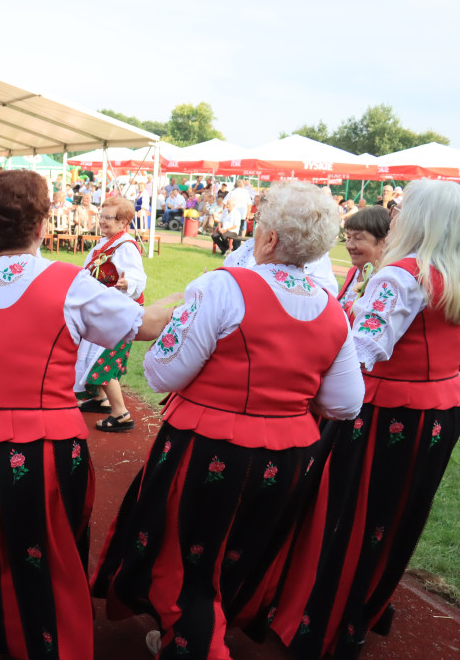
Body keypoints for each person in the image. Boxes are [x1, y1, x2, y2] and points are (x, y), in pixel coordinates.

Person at [0, 170, 177, 660]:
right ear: (44, 222)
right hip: (47, 446)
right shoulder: (69, 284)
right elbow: (145, 325)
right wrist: (197, 295)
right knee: (49, 555)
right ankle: (47, 643)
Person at [91, 181, 364, 660]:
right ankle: (206, 627)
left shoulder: (224, 286)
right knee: (241, 548)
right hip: (288, 453)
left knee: (185, 556)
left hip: (208, 445)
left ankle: (195, 641)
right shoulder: (332, 309)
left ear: (271, 239)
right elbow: (345, 403)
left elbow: (162, 373)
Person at [265, 180, 460, 660]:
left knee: (346, 514)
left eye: (402, 209)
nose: (394, 217)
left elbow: (363, 351)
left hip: (384, 411)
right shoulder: (449, 273)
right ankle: (361, 610)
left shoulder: (401, 275)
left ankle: (321, 618)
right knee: (395, 516)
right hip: (439, 413)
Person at [74, 196, 146, 432]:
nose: (102, 221)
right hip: (102, 312)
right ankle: (100, 400)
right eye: (101, 216)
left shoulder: (125, 246)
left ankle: (121, 414)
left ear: (124, 220)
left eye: (108, 217)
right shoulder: (106, 243)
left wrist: (127, 284)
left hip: (117, 315)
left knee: (103, 362)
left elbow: (137, 277)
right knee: (91, 354)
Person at [224, 203, 339, 295]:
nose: (257, 225)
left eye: (262, 221)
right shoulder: (248, 247)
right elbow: (227, 274)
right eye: (259, 218)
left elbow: (329, 293)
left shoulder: (314, 256)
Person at [337, 206, 391, 317]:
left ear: (383, 241)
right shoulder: (353, 272)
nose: (349, 245)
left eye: (358, 238)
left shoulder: (386, 282)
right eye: (348, 237)